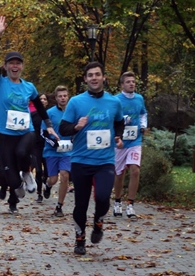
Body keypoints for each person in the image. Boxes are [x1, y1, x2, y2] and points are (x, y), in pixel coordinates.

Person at [0, 16, 58, 214]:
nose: (15, 66)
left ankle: (27, 172)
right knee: (11, 178)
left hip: (25, 131)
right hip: (5, 134)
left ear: (22, 66)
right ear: (5, 66)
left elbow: (38, 104)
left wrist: (48, 124)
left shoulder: (29, 87)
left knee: (22, 153)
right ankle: (16, 188)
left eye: (18, 63)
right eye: (11, 63)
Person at [59, 61, 124, 255]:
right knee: (81, 203)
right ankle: (79, 240)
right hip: (80, 161)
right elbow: (63, 128)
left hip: (105, 161)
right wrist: (76, 127)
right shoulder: (76, 102)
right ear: (85, 79)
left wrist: (118, 136)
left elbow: (119, 122)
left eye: (97, 74)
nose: (94, 78)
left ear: (103, 77)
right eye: (90, 75)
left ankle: (98, 221)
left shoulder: (114, 102)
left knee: (103, 197)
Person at [113, 71, 147, 219]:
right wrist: (122, 120)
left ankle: (131, 204)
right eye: (128, 82)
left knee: (135, 171)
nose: (131, 84)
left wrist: (143, 125)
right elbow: (112, 118)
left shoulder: (139, 98)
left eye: (133, 81)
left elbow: (142, 113)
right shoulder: (115, 100)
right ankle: (117, 201)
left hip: (135, 140)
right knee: (119, 174)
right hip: (120, 142)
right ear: (122, 85)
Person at [41, 86, 71, 217]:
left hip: (67, 151)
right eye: (60, 96)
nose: (63, 98)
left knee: (65, 176)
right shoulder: (50, 113)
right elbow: (43, 132)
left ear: (68, 97)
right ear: (56, 98)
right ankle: (47, 185)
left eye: (65, 95)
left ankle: (59, 206)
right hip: (52, 151)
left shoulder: (73, 112)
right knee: (53, 179)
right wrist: (53, 142)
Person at [31, 93, 49, 203]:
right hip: (36, 146)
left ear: (47, 102)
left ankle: (47, 185)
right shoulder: (32, 115)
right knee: (38, 170)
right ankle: (39, 193)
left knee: (47, 172)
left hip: (48, 146)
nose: (42, 100)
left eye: (44, 99)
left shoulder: (50, 114)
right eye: (40, 99)